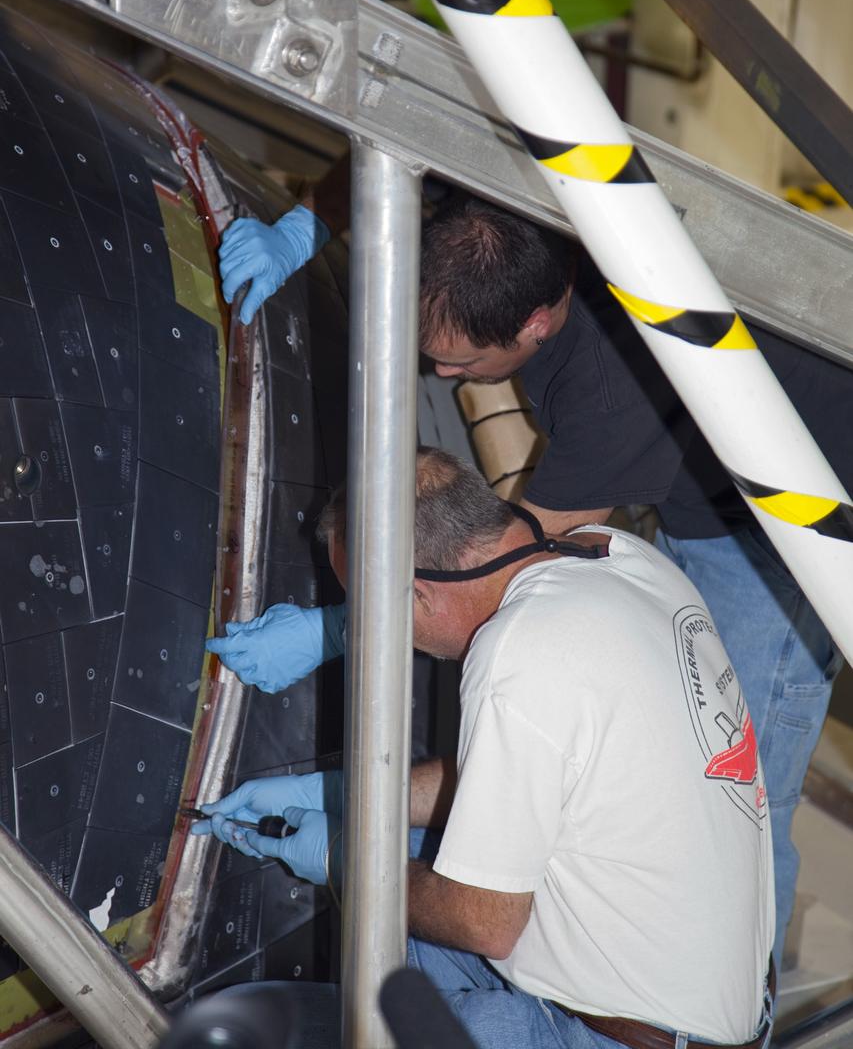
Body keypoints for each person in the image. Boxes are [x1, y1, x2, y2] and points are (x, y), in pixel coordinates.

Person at [214, 187, 848, 966]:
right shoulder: (496, 206)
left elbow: (499, 564)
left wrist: (343, 629)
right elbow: (385, 152)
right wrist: (306, 225)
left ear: (536, 324)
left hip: (781, 536)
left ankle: (733, 997)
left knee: (738, 791)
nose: (440, 374)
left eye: (461, 361)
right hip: (694, 480)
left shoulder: (617, 389)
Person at [199, 449, 775, 1049]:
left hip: (622, 1035)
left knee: (246, 1029)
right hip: (691, 987)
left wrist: (350, 862)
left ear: (418, 595)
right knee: (404, 853)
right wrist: (352, 795)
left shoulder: (516, 654)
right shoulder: (613, 555)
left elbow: (483, 921)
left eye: (367, 613)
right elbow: (544, 776)